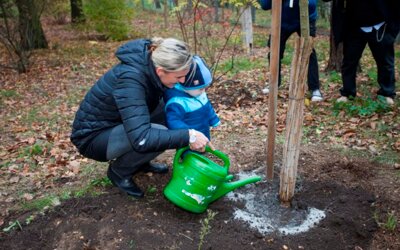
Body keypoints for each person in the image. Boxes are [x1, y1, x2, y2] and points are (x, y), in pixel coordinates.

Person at [70, 37, 212, 198]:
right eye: (178, 77)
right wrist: (189, 136)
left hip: (118, 123)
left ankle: (140, 162)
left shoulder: (151, 66)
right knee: (158, 133)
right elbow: (142, 138)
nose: (182, 81)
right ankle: (119, 172)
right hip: (94, 138)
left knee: (169, 114)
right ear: (160, 71)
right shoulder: (131, 80)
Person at [327, 0, 400, 105]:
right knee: (349, 62)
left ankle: (387, 93)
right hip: (354, 26)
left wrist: (392, 27)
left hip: (380, 25)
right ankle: (348, 93)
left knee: (385, 62)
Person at [259, 0, 324, 102]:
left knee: (308, 52)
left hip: (305, 19)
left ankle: (314, 88)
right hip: (281, 20)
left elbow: (311, 5)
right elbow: (265, 5)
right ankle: (274, 84)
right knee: (274, 51)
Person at [163, 55, 220, 141]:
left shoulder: (199, 94)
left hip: (203, 131)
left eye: (205, 88)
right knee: (190, 154)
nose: (203, 91)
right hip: (188, 140)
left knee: (204, 148)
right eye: (200, 88)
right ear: (186, 85)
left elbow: (207, 107)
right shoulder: (177, 103)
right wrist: (189, 135)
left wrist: (214, 120)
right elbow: (174, 121)